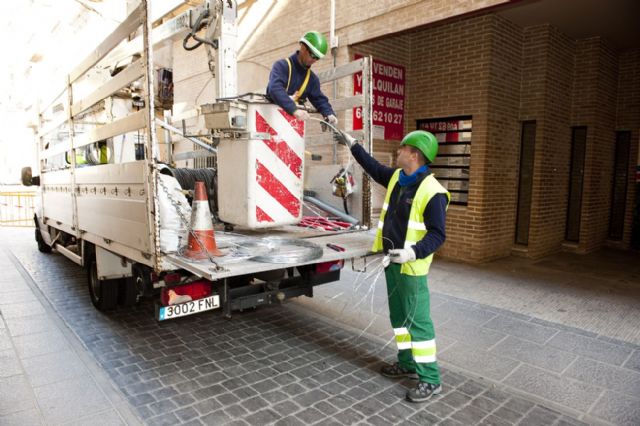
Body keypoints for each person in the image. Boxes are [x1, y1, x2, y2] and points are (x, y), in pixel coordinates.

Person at [335, 129, 450, 403]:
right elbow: (374, 168)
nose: (398, 151)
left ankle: (430, 379)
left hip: (411, 268)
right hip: (392, 262)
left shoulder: (433, 192)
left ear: (415, 154)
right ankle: (407, 363)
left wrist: (412, 253)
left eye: (403, 148)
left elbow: (437, 234)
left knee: (418, 323)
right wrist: (354, 146)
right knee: (399, 319)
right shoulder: (399, 177)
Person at [266, 31, 337, 127]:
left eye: (317, 58)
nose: (314, 60)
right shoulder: (282, 66)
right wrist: (294, 110)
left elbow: (319, 99)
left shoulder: (311, 79)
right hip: (270, 122)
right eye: (313, 55)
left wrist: (329, 113)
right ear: (303, 47)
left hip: (293, 127)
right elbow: (275, 89)